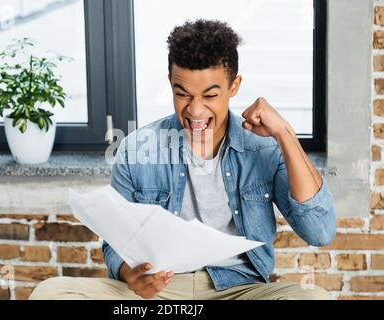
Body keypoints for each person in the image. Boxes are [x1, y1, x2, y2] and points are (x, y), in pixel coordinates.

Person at [30, 19, 336, 300]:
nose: (195, 110)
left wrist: (285, 134)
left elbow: (319, 232)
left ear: (234, 86)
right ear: (171, 83)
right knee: (51, 293)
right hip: (158, 293)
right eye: (183, 94)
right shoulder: (138, 148)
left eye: (210, 96)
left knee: (314, 299)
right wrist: (130, 276)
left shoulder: (264, 148)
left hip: (237, 290)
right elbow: (115, 244)